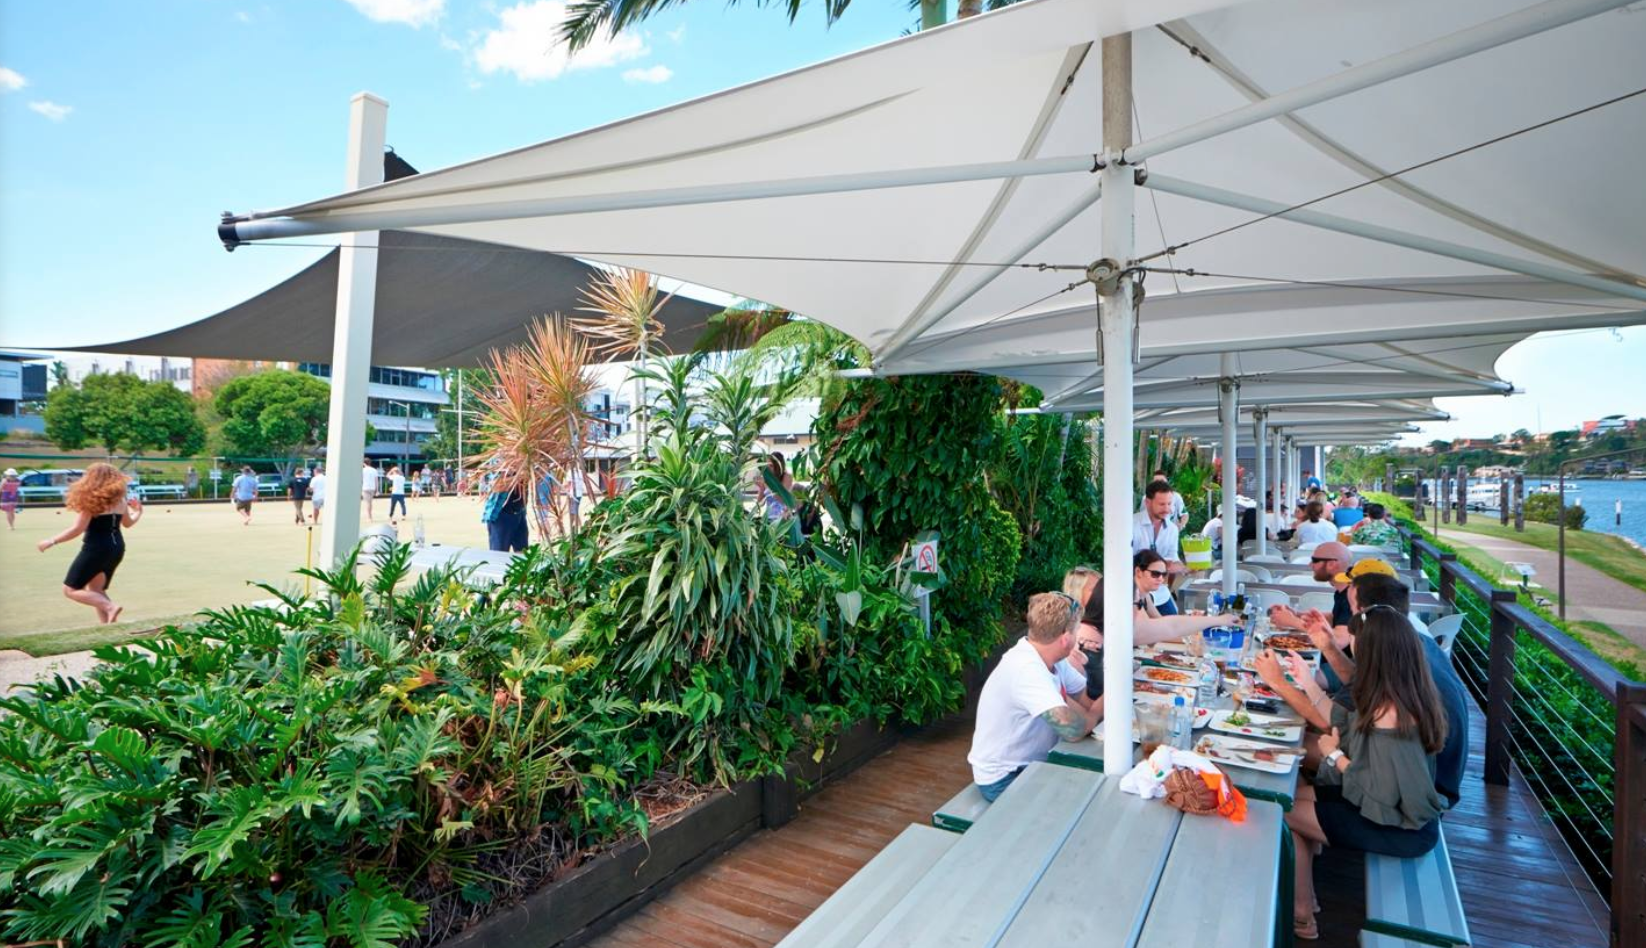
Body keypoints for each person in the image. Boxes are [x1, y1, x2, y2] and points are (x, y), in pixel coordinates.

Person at [1283, 607, 1448, 940]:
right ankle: (1307, 896)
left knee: (1284, 810)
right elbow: (1344, 721)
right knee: (1296, 795)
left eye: (1355, 642)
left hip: (1398, 827)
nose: (1352, 647)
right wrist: (1306, 681)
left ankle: (1302, 914)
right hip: (1393, 811)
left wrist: (1334, 756)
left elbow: (1379, 792)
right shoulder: (1405, 689)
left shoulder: (1390, 713)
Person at [967, 592, 1105, 802]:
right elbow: (1073, 730)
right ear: (1066, 639)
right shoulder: (1027, 669)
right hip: (1005, 777)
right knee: (1087, 799)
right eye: (1077, 631)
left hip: (1030, 764)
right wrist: (1097, 711)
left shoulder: (1052, 657)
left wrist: (1094, 673)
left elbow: (1086, 701)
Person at [36, 462, 143, 625]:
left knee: (70, 590)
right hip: (116, 548)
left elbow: (77, 529)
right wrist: (139, 511)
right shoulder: (120, 499)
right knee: (96, 590)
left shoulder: (92, 500)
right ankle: (108, 627)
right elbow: (127, 523)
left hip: (96, 548)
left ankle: (110, 607)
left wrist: (51, 541)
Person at [1083, 551, 1232, 651]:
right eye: (1155, 574)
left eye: (1164, 574)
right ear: (1138, 572)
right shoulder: (1091, 641)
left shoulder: (1138, 596)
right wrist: (1209, 633)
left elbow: (1165, 625)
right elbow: (1159, 632)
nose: (1161, 579)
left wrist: (1216, 621)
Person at [1269, 541, 1354, 632]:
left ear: (1331, 564)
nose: (1310, 565)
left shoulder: (1352, 595)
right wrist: (1297, 615)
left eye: (1315, 560)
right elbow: (1337, 619)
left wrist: (1293, 622)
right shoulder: (1342, 590)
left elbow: (1339, 639)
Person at [1132, 480, 1186, 615]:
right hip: (1134, 590)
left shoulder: (1173, 529)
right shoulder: (1131, 523)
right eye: (1162, 504)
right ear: (1147, 503)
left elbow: (1173, 558)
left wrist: (1186, 568)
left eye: (1169, 504)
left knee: (1174, 627)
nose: (1167, 509)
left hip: (1160, 591)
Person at [482, 481, 529, 553]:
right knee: (499, 553)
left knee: (522, 551)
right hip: (501, 514)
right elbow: (496, 485)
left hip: (519, 512)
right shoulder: (501, 472)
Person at [757, 452, 794, 521]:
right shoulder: (766, 478)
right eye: (766, 465)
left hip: (783, 518)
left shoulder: (787, 477)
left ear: (778, 466)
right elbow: (759, 503)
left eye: (771, 465)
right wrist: (761, 487)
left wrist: (767, 484)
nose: (768, 468)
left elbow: (783, 500)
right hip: (769, 519)